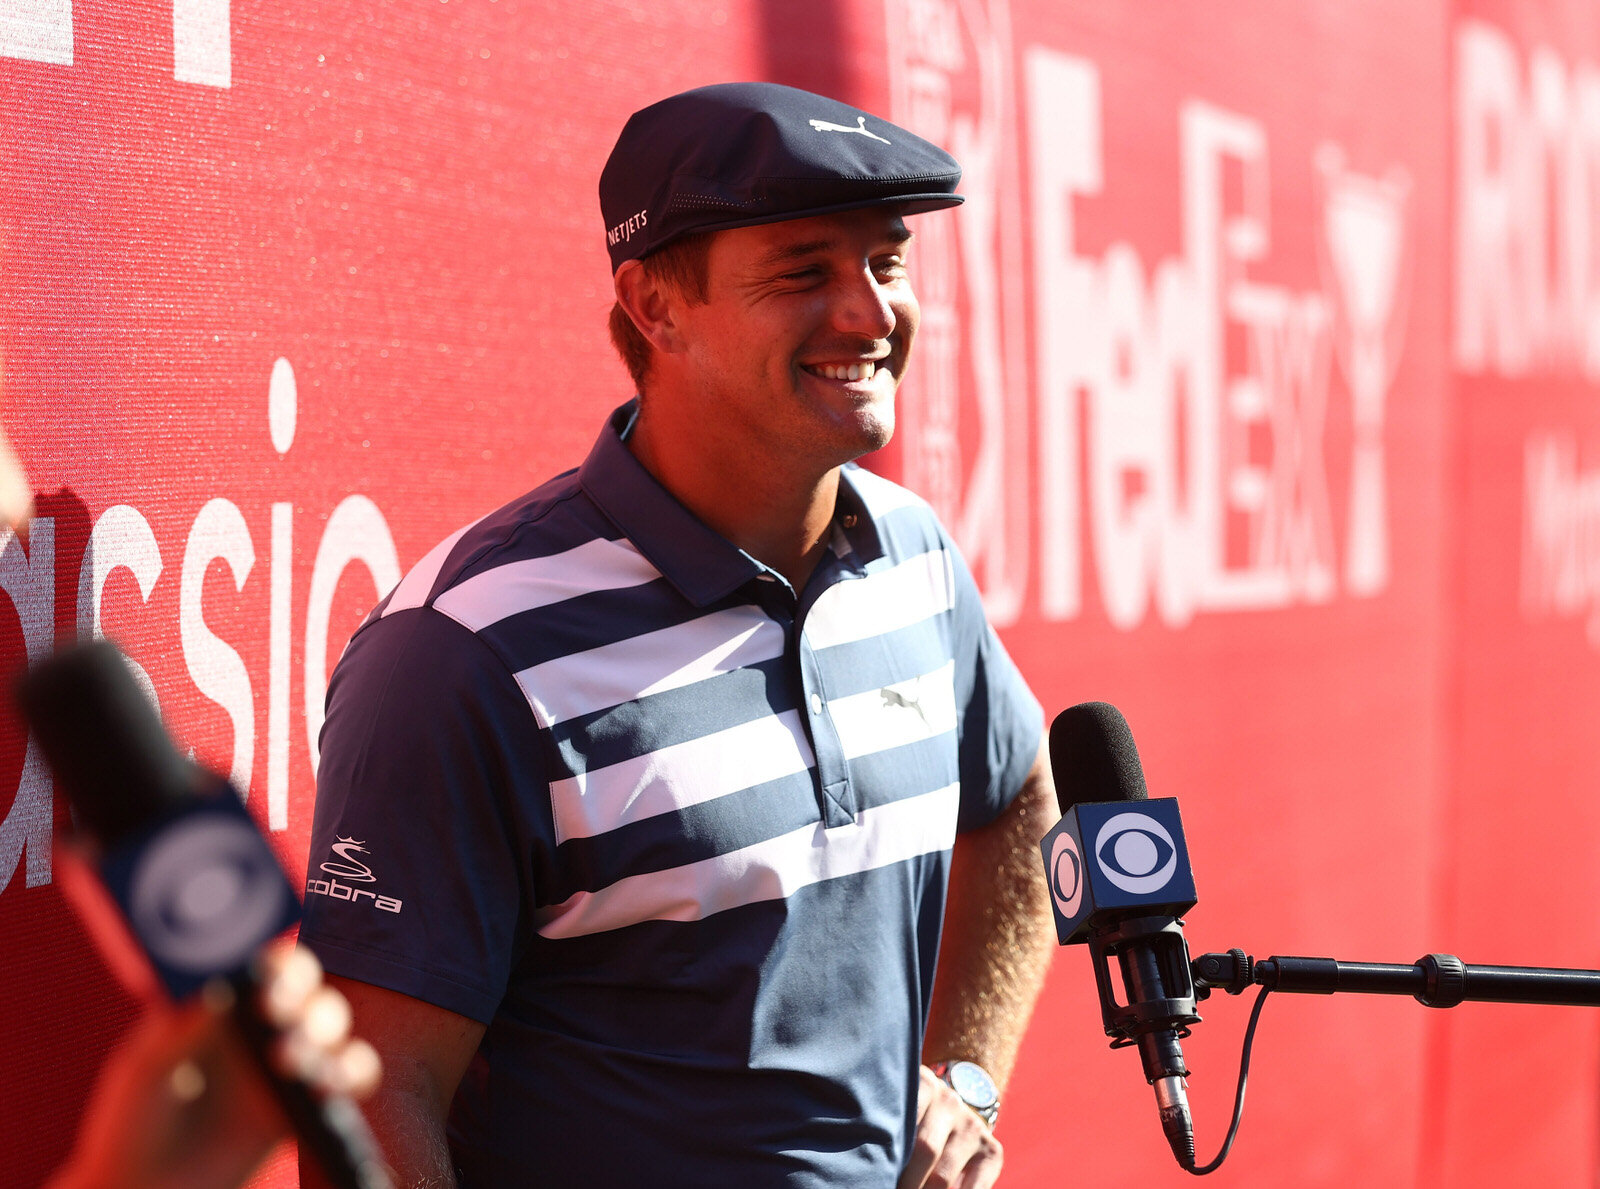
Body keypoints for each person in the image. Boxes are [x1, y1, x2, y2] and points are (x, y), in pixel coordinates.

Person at [298, 81, 1057, 1189]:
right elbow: (373, 1093)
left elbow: (1023, 798)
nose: (869, 312)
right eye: (805, 272)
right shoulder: (465, 649)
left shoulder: (914, 557)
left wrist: (968, 1077)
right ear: (653, 307)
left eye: (885, 263)